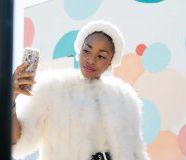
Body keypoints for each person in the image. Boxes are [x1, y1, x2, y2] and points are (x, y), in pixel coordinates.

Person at [11, 20, 150, 160]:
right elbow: (19, 141)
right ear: (79, 50)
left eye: (101, 56)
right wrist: (10, 99)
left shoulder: (125, 98)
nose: (91, 60)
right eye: (86, 50)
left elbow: (136, 152)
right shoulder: (52, 89)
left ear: (111, 61)